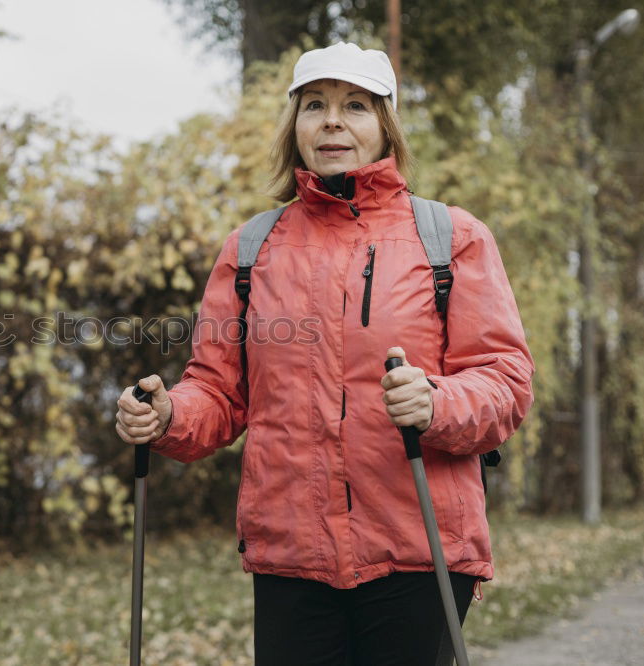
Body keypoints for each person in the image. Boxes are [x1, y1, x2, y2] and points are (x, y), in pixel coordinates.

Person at [116, 42, 534, 665]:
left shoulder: (451, 238)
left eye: (355, 106)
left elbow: (505, 381)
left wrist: (436, 401)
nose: (333, 121)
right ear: (296, 127)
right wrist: (168, 415)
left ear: (385, 125)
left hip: (418, 547)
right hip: (291, 554)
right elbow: (218, 391)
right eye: (315, 105)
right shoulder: (251, 249)